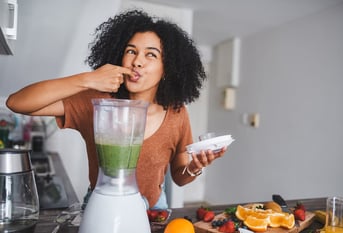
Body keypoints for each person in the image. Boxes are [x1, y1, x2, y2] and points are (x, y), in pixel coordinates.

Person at [6, 9, 227, 209]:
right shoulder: (96, 102)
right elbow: (17, 102)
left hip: (154, 211)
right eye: (131, 51)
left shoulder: (177, 114)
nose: (137, 61)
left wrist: (195, 167)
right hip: (101, 207)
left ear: (167, 68)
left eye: (151, 54)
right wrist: (88, 79)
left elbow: (180, 177)